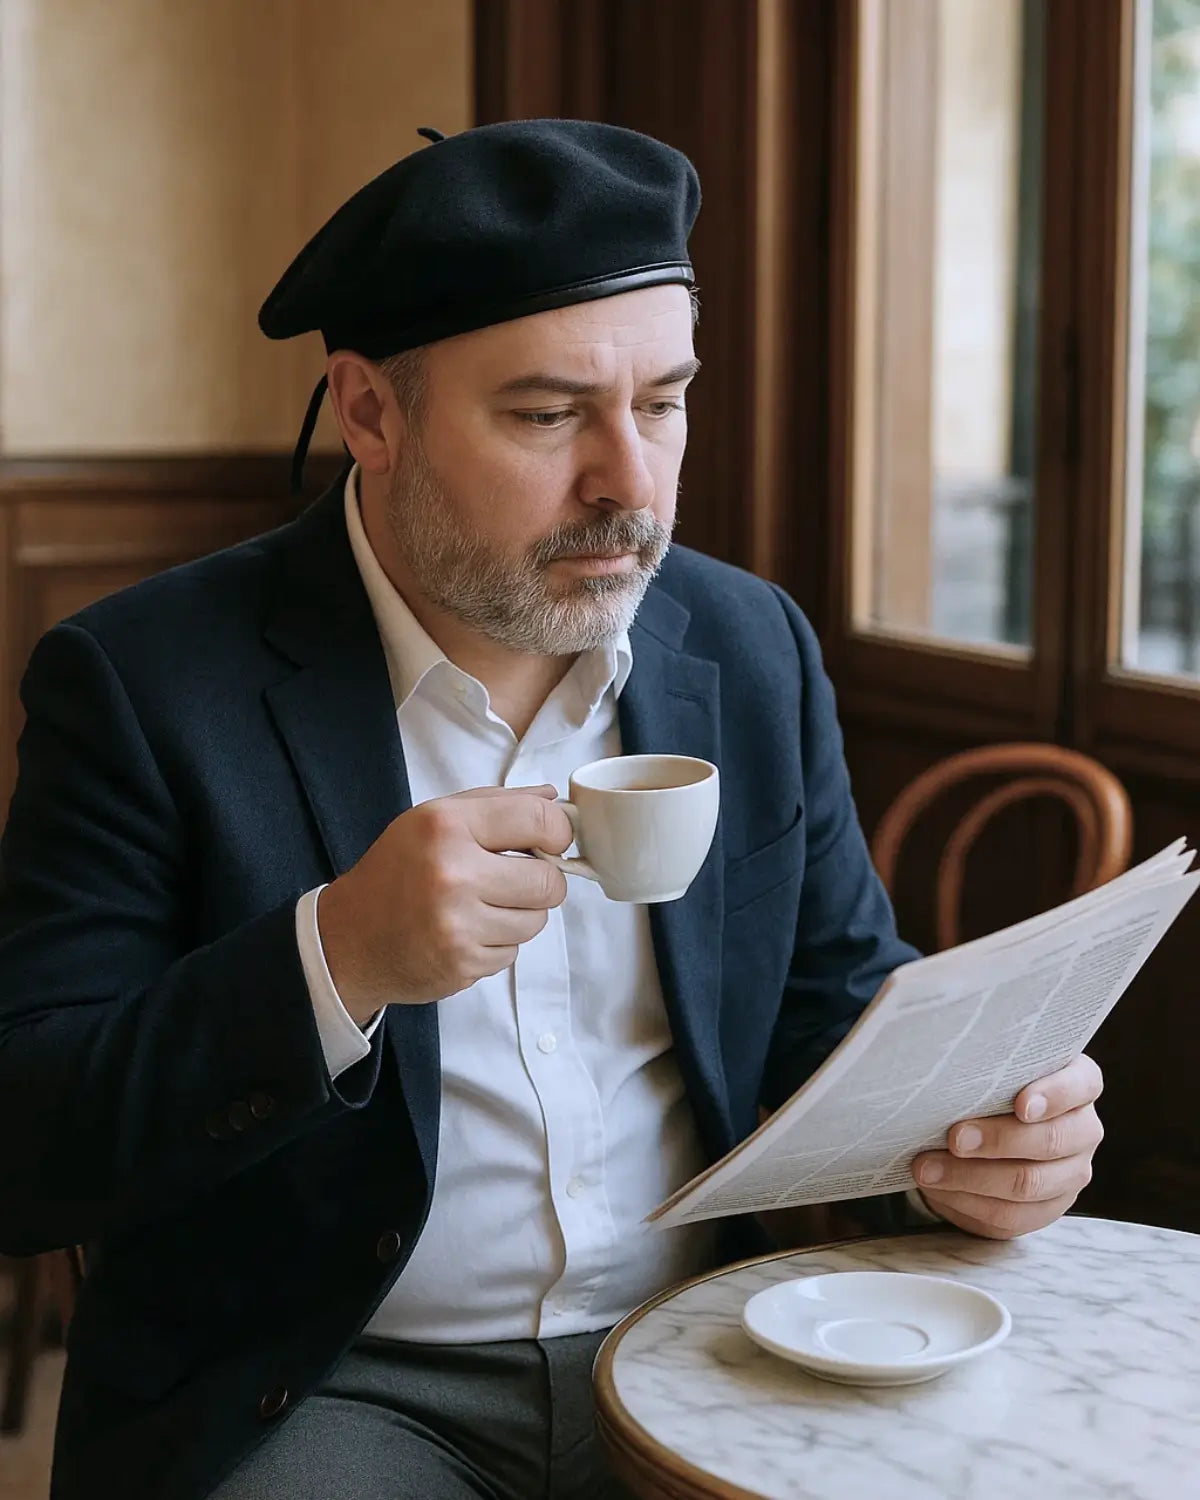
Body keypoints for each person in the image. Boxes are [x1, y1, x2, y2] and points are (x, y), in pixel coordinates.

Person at [0, 120, 1104, 1500]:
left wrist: (970, 1142)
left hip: (712, 1341)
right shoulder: (149, 681)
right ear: (371, 412)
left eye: (663, 403)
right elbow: (25, 1141)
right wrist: (334, 960)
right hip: (327, 1375)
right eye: (547, 414)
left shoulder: (747, 644)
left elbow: (833, 1000)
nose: (631, 486)